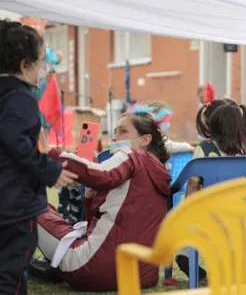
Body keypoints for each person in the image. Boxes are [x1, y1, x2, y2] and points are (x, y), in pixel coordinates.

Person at [29, 103, 172, 291]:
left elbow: (102, 175)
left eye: (123, 131)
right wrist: (89, 197)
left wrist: (50, 153)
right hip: (142, 277)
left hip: (93, 269)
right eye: (115, 131)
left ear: (144, 139)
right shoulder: (158, 171)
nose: (114, 137)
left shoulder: (132, 155)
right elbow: (103, 224)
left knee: (28, 204)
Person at [0, 19, 77, 295]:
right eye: (41, 61)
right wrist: (50, 170)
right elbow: (17, 143)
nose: (43, 70)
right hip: (14, 205)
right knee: (12, 271)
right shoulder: (20, 97)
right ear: (24, 65)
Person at [175, 97, 246, 281]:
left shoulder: (204, 149)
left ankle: (185, 255)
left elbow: (193, 183)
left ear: (212, 125)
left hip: (208, 214)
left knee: (183, 231)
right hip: (240, 214)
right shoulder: (245, 152)